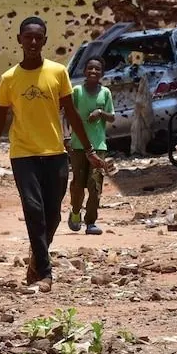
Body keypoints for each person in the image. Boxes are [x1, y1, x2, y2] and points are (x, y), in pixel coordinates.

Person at [0, 16, 104, 293]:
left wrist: (90, 149)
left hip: (55, 153)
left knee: (54, 216)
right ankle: (45, 273)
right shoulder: (9, 79)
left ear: (45, 41)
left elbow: (71, 112)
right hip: (23, 154)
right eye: (28, 37)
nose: (33, 42)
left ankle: (37, 257)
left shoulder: (58, 72)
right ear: (19, 40)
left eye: (38, 37)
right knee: (34, 211)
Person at [65, 57, 115, 236]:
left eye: (97, 69)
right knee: (78, 183)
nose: (93, 71)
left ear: (102, 73)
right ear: (85, 71)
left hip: (99, 145)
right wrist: (66, 137)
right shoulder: (77, 91)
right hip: (78, 146)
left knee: (95, 184)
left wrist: (101, 112)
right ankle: (76, 211)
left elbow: (112, 117)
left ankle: (91, 222)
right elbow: (67, 114)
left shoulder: (105, 93)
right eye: (90, 68)